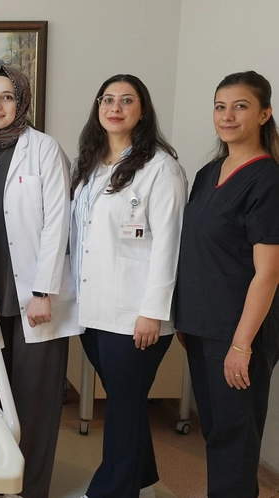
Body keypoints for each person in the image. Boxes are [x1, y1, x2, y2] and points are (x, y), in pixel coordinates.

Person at [71, 74, 187, 498]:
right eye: (107, 100)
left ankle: (113, 490)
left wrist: (153, 312)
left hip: (136, 315)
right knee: (128, 400)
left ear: (142, 110)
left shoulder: (161, 168)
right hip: (92, 310)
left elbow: (169, 244)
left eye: (126, 100)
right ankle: (141, 477)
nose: (115, 108)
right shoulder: (90, 165)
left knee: (122, 406)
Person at [0, 66, 77, 498]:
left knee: (34, 401)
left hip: (33, 295)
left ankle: (29, 490)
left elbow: (57, 223)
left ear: (22, 102)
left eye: (7, 96)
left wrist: (43, 291)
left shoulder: (45, 149)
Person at [175, 70, 279, 498]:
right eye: (220, 107)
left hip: (238, 332)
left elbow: (269, 271)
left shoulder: (268, 179)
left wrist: (241, 344)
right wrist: (186, 320)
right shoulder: (207, 173)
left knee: (235, 439)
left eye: (240, 107)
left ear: (264, 114)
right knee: (218, 433)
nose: (228, 116)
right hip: (202, 327)